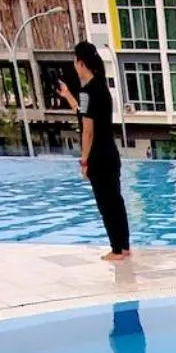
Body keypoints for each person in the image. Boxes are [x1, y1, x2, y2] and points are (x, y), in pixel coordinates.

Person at [64, 41, 130, 261]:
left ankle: (116, 250)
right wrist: (67, 96)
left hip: (98, 156)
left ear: (81, 63)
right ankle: (124, 246)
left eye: (76, 62)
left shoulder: (87, 91)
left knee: (105, 203)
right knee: (116, 201)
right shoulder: (101, 87)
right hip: (111, 152)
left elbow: (87, 130)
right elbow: (84, 113)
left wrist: (84, 160)